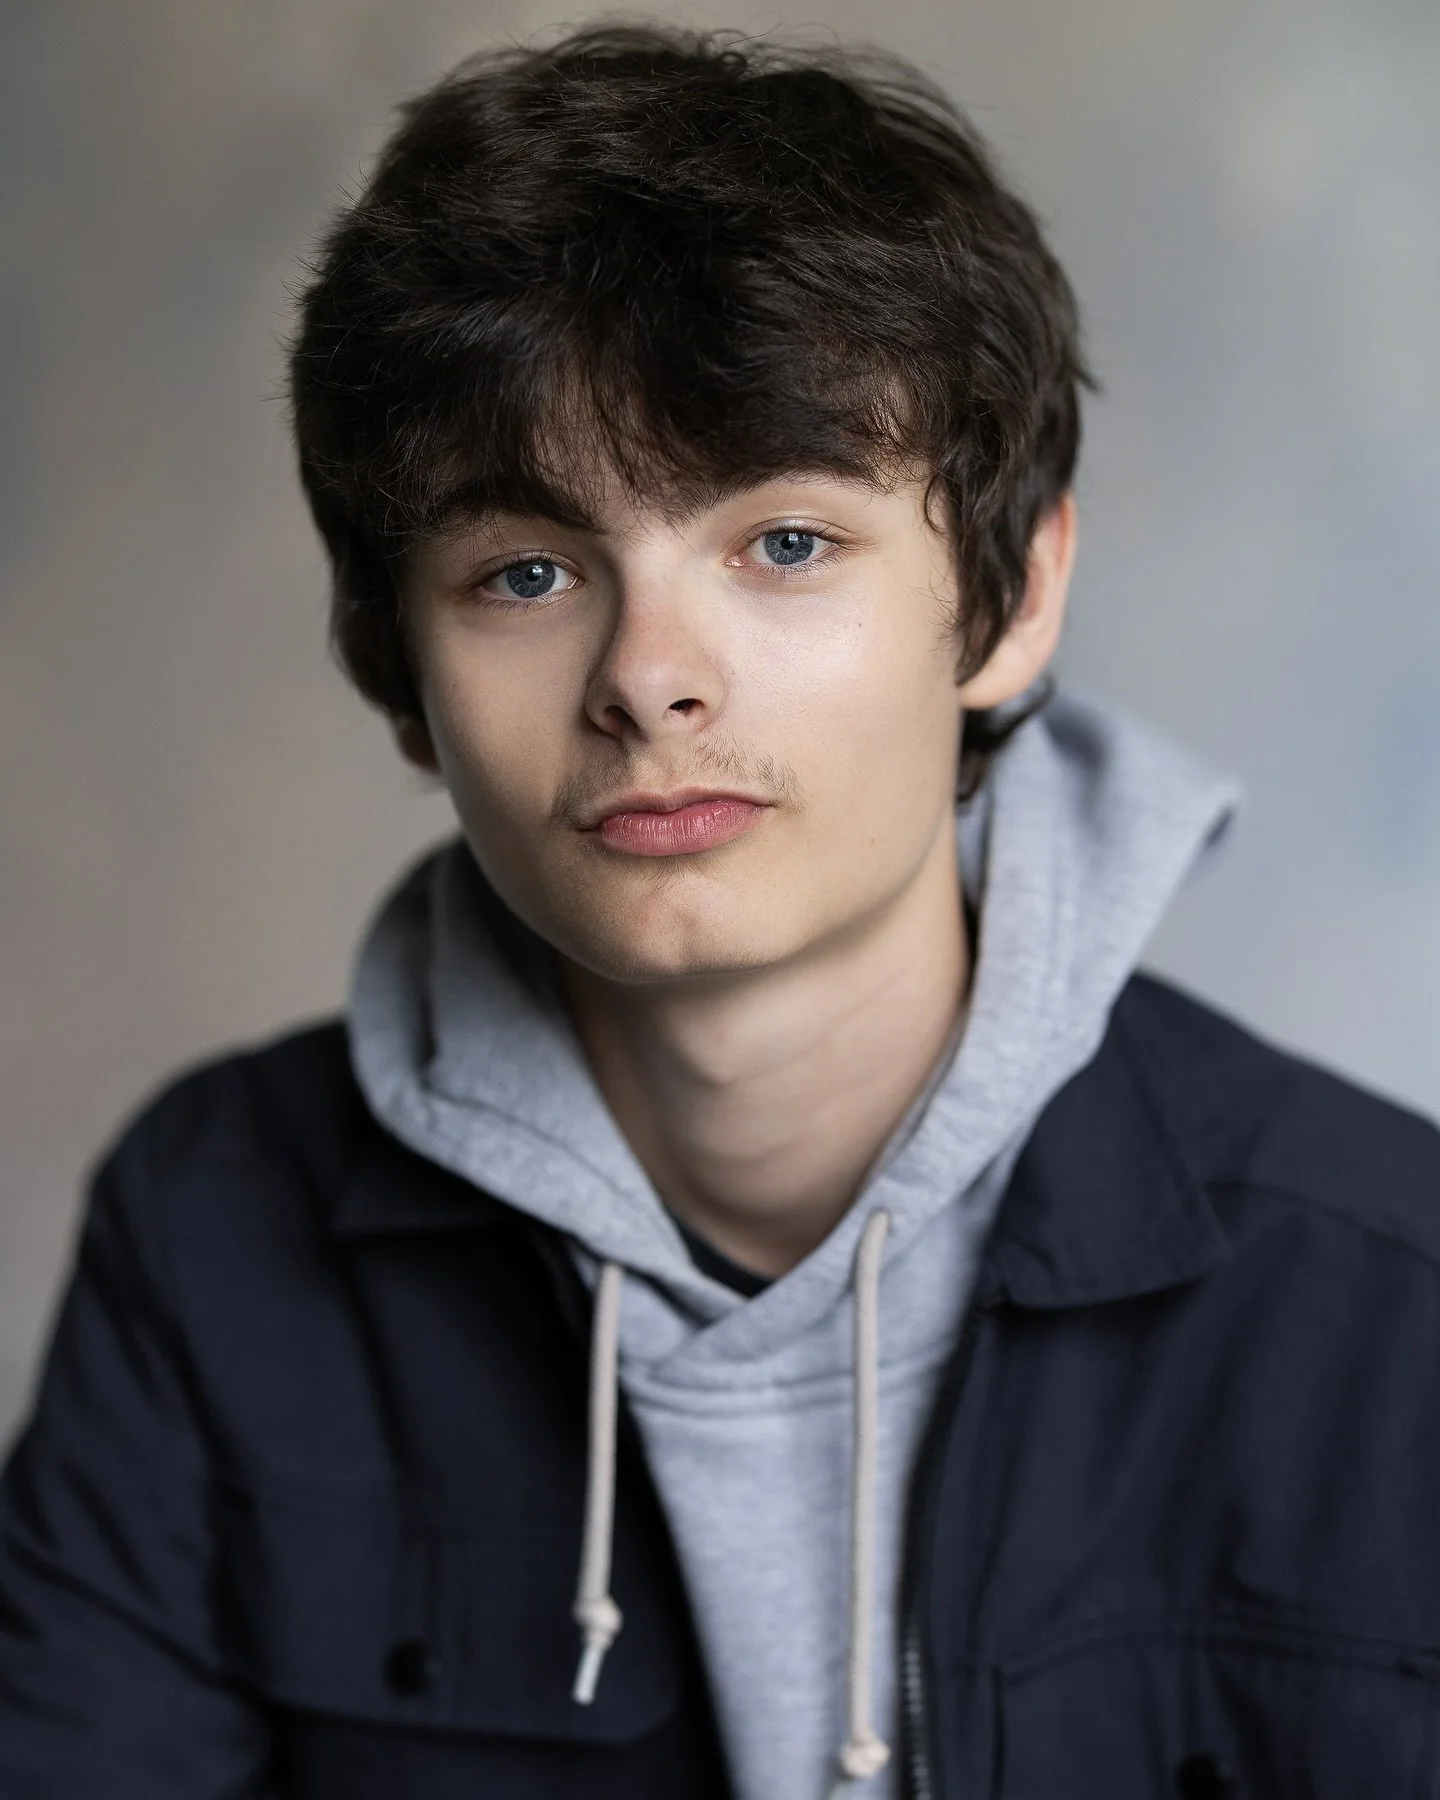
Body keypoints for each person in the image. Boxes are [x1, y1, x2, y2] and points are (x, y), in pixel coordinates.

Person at [1, 23, 1437, 1800]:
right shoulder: (213, 1240)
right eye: (526, 572)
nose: (651, 680)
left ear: (1011, 598)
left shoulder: (1396, 1305)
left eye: (784, 544)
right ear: (400, 674)